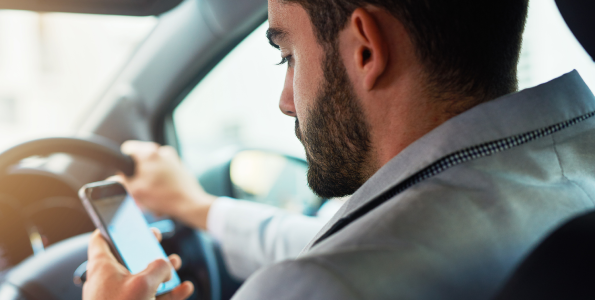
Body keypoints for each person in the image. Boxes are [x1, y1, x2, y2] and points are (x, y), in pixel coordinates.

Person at [84, 0, 595, 299]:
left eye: (287, 55)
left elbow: (335, 261)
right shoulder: (575, 167)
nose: (286, 102)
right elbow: (343, 238)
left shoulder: (316, 286)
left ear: (366, 49)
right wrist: (196, 208)